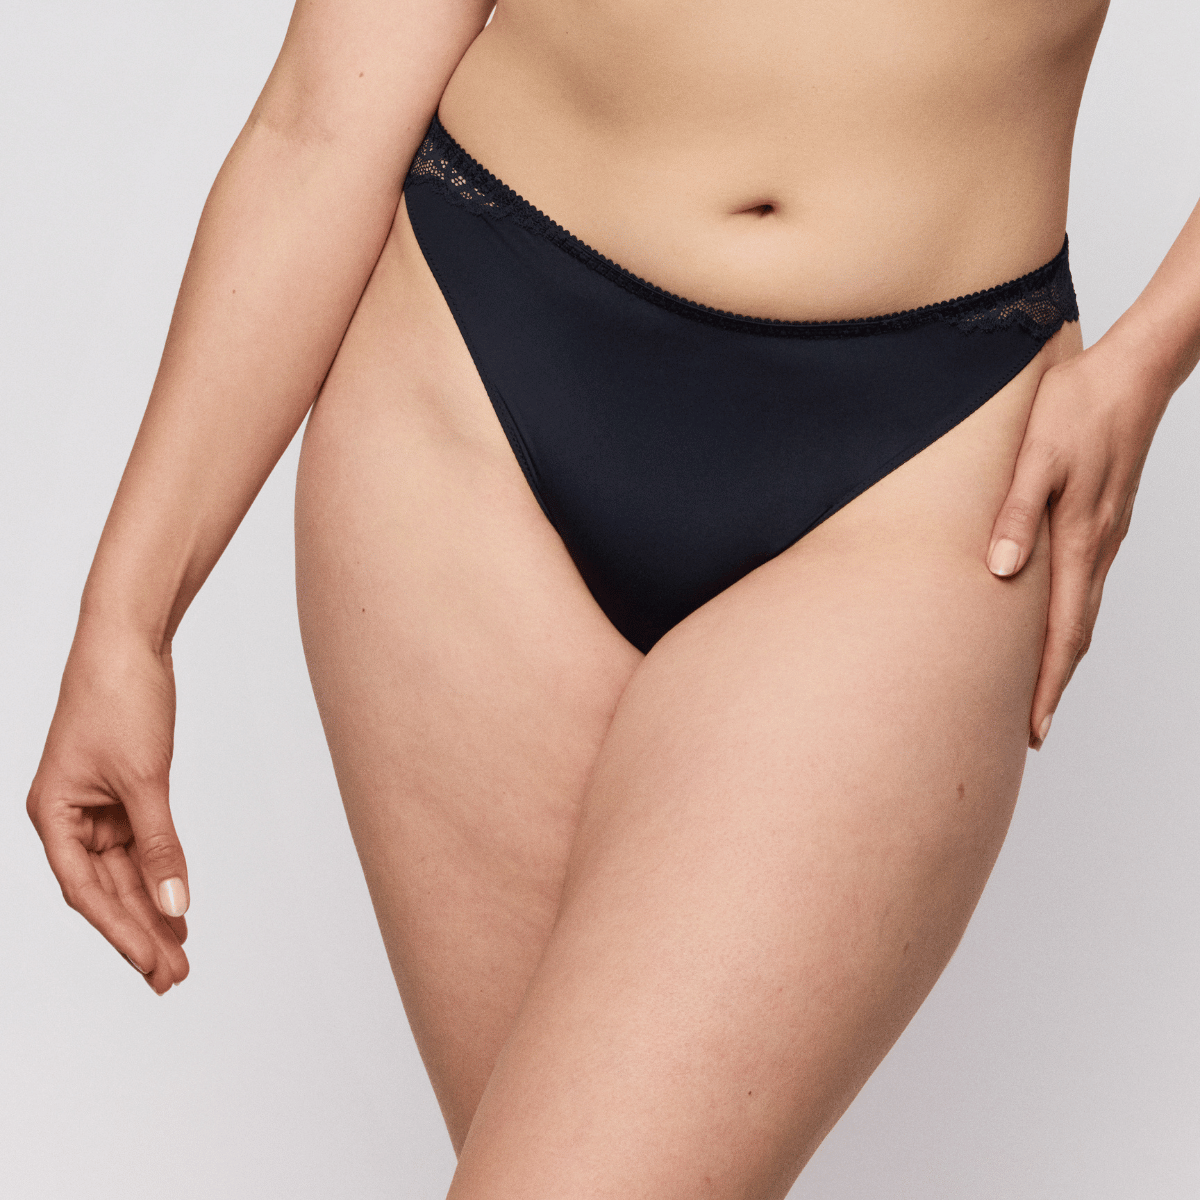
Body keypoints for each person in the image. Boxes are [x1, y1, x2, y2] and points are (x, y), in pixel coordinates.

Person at [25, 0, 1199, 1194]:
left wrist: (1152, 356)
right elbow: (323, 117)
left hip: (922, 456)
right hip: (475, 396)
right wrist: (128, 620)